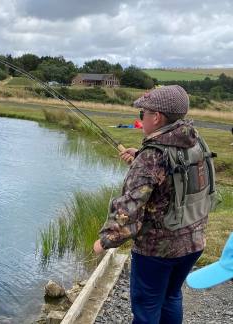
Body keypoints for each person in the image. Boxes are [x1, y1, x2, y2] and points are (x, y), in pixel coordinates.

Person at [93, 85, 217, 324]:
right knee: (171, 296)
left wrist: (104, 242)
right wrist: (140, 154)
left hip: (158, 250)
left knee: (147, 307)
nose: (142, 118)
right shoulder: (194, 140)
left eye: (143, 113)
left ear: (157, 117)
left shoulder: (151, 158)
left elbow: (128, 209)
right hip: (195, 241)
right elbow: (173, 174)